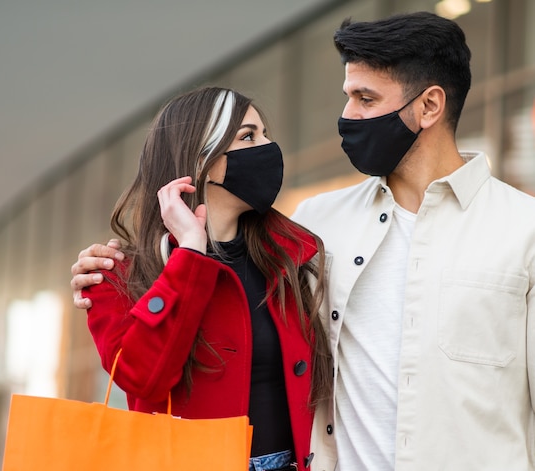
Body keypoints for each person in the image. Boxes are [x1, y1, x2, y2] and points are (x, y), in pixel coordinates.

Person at [72, 11, 535, 471]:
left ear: (429, 106)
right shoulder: (315, 226)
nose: (347, 115)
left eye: (365, 98)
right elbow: (145, 372)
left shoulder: (522, 228)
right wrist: (169, 257)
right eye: (347, 96)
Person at [74, 86, 330, 471]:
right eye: (248, 137)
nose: (268, 147)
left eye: (264, 134)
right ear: (204, 162)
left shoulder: (293, 257)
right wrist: (191, 252)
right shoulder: (113, 275)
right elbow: (142, 377)